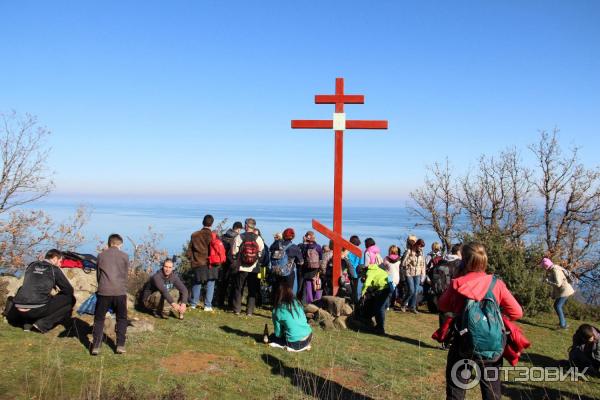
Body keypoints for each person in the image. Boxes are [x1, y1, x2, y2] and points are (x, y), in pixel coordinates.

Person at [438, 242, 523, 400]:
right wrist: (496, 317)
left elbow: (442, 305)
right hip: (492, 345)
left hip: (463, 343)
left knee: (456, 390)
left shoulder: (458, 283)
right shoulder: (496, 284)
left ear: (465, 261)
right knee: (491, 392)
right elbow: (517, 312)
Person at [7, 249, 75, 333]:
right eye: (60, 261)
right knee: (71, 299)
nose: (60, 264)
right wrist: (58, 293)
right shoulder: (54, 269)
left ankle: (26, 324)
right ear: (54, 258)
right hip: (35, 310)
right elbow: (69, 290)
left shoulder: (32, 264)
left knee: (29, 293)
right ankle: (42, 324)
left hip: (19, 308)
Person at [92, 234, 130, 355]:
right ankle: (120, 345)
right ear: (120, 244)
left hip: (104, 291)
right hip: (119, 292)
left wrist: (102, 286)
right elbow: (124, 276)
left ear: (109, 243)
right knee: (122, 318)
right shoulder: (125, 256)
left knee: (99, 318)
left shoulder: (101, 255)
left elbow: (98, 275)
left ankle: (96, 346)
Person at [231, 218, 264, 316]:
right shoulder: (258, 238)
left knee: (239, 288)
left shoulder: (240, 237)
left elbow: (234, 252)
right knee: (252, 290)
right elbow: (261, 253)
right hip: (254, 268)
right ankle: (249, 312)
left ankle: (237, 309)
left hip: (241, 267)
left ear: (246, 226)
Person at [268, 280, 313, 352]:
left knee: (272, 337)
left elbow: (278, 334)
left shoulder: (277, 310)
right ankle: (304, 345)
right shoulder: (297, 302)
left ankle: (292, 347)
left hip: (295, 343)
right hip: (309, 336)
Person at [187, 214, 216, 311]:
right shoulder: (214, 236)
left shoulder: (195, 235)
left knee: (197, 282)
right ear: (211, 224)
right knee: (210, 283)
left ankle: (193, 304)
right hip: (211, 263)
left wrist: (191, 259)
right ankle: (208, 305)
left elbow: (189, 251)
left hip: (198, 262)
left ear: (203, 222)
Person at [540, 257, 575, 329]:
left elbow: (558, 284)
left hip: (565, 291)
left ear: (546, 266)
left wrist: (548, 282)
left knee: (557, 306)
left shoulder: (555, 270)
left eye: (543, 267)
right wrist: (553, 294)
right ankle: (563, 323)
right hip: (563, 290)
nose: (543, 268)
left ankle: (563, 325)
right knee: (557, 306)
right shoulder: (554, 268)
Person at [358, 263, 392, 335]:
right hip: (388, 286)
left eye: (361, 274)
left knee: (379, 308)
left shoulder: (369, 272)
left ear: (362, 271)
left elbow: (366, 284)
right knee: (379, 307)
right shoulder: (375, 269)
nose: (362, 276)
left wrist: (362, 294)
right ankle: (378, 326)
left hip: (383, 288)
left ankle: (380, 328)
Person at [216, 221, 243, 308]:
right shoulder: (237, 238)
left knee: (223, 283)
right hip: (233, 263)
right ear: (238, 229)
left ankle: (220, 302)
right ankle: (231, 303)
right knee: (233, 284)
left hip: (223, 263)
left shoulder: (223, 236)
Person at [270, 227, 303, 298]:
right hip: (288, 273)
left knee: (277, 289)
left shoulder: (276, 244)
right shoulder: (295, 247)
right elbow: (301, 262)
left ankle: (276, 305)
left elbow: (271, 250)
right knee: (288, 290)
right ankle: (287, 306)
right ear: (293, 237)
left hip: (276, 271)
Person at [401, 235, 426, 313]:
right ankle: (403, 304)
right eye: (420, 246)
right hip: (409, 273)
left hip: (418, 274)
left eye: (422, 247)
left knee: (416, 291)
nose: (421, 248)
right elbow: (403, 264)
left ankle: (412, 307)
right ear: (417, 244)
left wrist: (423, 275)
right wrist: (410, 259)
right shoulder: (409, 251)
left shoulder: (421, 253)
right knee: (411, 290)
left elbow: (423, 265)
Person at [298, 231, 323, 304]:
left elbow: (301, 254)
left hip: (306, 268)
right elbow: (321, 257)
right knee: (315, 283)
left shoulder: (304, 246)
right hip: (315, 268)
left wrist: (304, 241)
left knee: (307, 284)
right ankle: (316, 300)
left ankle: (307, 300)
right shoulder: (318, 246)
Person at [382, 245, 401, 311]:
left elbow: (383, 268)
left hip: (389, 277)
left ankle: (387, 305)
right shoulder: (399, 259)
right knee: (394, 292)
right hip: (396, 278)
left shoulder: (386, 259)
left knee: (388, 293)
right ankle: (391, 304)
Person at [346, 235, 362, 305]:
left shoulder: (348, 250)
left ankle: (354, 302)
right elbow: (360, 263)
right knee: (355, 288)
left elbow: (346, 259)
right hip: (357, 272)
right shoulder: (359, 251)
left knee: (351, 288)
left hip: (349, 271)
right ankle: (355, 302)